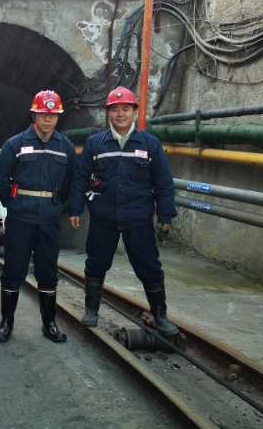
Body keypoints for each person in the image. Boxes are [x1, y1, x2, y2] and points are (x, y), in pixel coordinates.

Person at [68, 87, 179, 337]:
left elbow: (163, 182)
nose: (120, 114)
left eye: (125, 109)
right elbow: (80, 178)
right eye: (115, 110)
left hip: (138, 218)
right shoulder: (95, 143)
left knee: (150, 267)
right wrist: (75, 208)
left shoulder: (149, 144)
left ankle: (160, 316)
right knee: (96, 264)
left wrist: (166, 215)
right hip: (103, 218)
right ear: (108, 113)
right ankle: (91, 310)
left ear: (134, 112)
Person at [0, 90, 75, 343]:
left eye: (53, 115)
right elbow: (0, 179)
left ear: (58, 117)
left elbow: (71, 183)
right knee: (13, 270)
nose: (48, 119)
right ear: (34, 114)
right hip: (21, 218)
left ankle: (49, 324)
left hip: (49, 219)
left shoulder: (65, 147)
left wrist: (58, 207)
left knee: (47, 271)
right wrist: (13, 204)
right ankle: (6, 323)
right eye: (43, 114)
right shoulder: (15, 145)